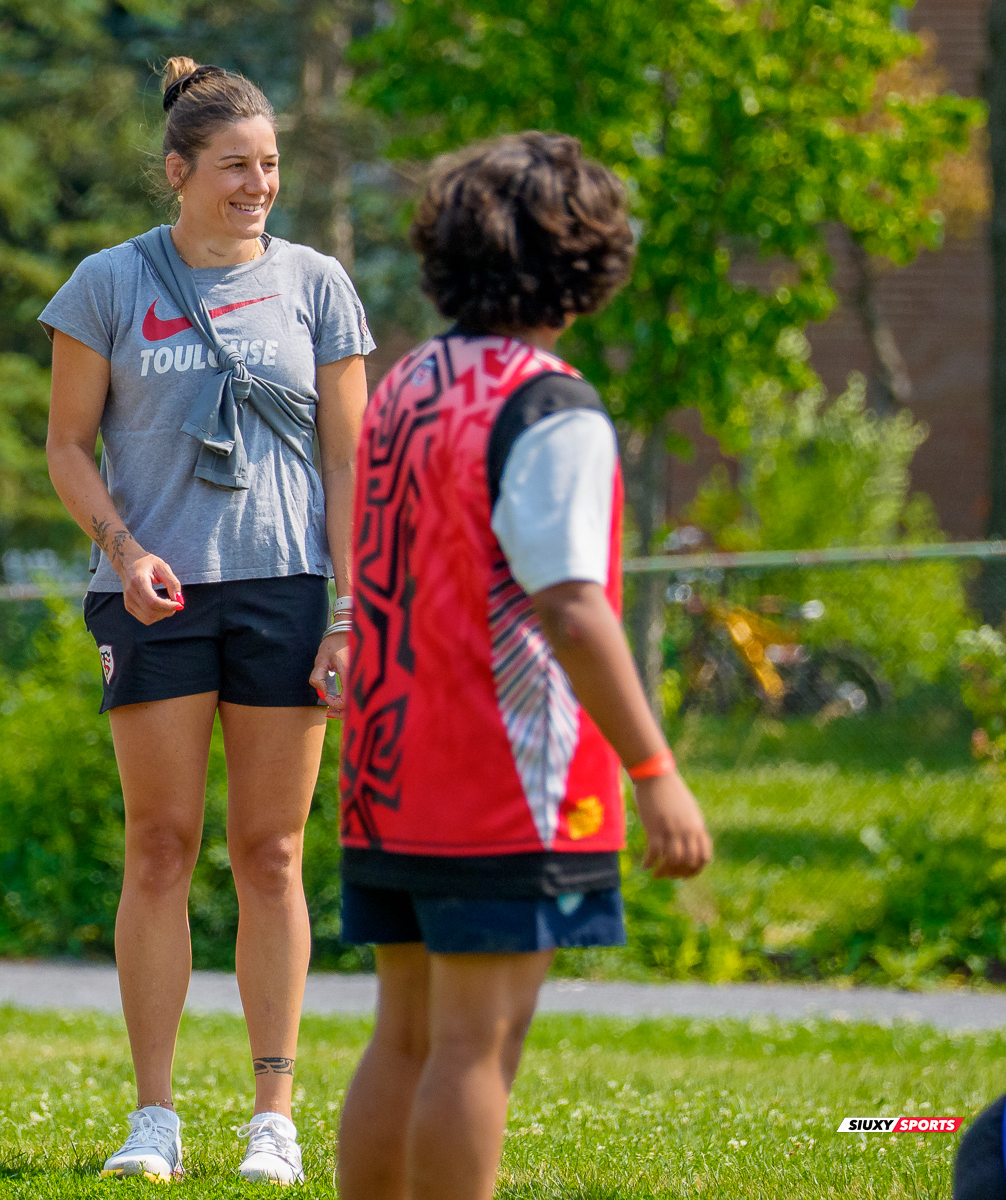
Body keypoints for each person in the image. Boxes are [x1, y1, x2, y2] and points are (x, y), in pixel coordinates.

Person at [333, 131, 713, 1200]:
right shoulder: (550, 405)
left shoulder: (405, 383)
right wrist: (656, 771)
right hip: (501, 782)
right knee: (474, 1046)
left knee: (402, 1037)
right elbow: (570, 604)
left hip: (390, 768)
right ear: (586, 261)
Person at [40, 55, 373, 1185]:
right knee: (160, 846)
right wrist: (125, 553)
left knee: (271, 852)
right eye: (235, 166)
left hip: (286, 590)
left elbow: (349, 458)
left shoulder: (318, 284)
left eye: (270, 164)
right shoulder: (106, 283)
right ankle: (154, 1117)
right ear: (178, 172)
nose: (258, 184)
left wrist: (348, 608)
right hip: (154, 593)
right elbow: (66, 445)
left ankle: (272, 1117)